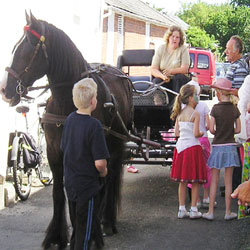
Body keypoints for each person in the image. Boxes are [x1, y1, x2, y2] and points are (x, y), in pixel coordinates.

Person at [60, 78, 110, 250]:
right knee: (85, 233)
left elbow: (64, 148)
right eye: (96, 96)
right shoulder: (94, 126)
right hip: (87, 188)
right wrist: (104, 173)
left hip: (71, 184)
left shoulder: (69, 121)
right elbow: (100, 163)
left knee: (77, 226)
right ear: (92, 101)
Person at [202, 78, 241, 221]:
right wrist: (230, 132)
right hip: (230, 146)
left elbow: (211, 129)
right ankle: (228, 212)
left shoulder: (215, 109)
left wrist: (217, 133)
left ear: (219, 92)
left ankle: (211, 212)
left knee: (214, 180)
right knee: (229, 181)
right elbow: (238, 129)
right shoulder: (234, 109)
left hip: (217, 146)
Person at [170, 84, 207, 219]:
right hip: (193, 147)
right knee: (195, 180)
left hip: (180, 148)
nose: (197, 97)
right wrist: (202, 132)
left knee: (182, 181)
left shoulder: (179, 113)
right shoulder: (195, 113)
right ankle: (193, 209)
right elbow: (196, 133)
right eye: (196, 95)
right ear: (191, 98)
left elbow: (176, 132)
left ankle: (181, 209)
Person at [186, 80, 213, 208]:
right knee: (207, 168)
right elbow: (208, 125)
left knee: (193, 169)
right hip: (203, 140)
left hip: (191, 141)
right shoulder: (203, 106)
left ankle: (195, 200)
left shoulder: (185, 107)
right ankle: (206, 197)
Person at [150, 25, 190, 101]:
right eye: (172, 36)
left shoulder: (183, 49)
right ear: (168, 37)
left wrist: (171, 71)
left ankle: (177, 105)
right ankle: (157, 106)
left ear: (180, 39)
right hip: (164, 78)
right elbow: (153, 69)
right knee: (156, 82)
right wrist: (163, 77)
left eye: (177, 37)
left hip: (178, 80)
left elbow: (185, 69)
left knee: (178, 78)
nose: (174, 39)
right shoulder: (161, 48)